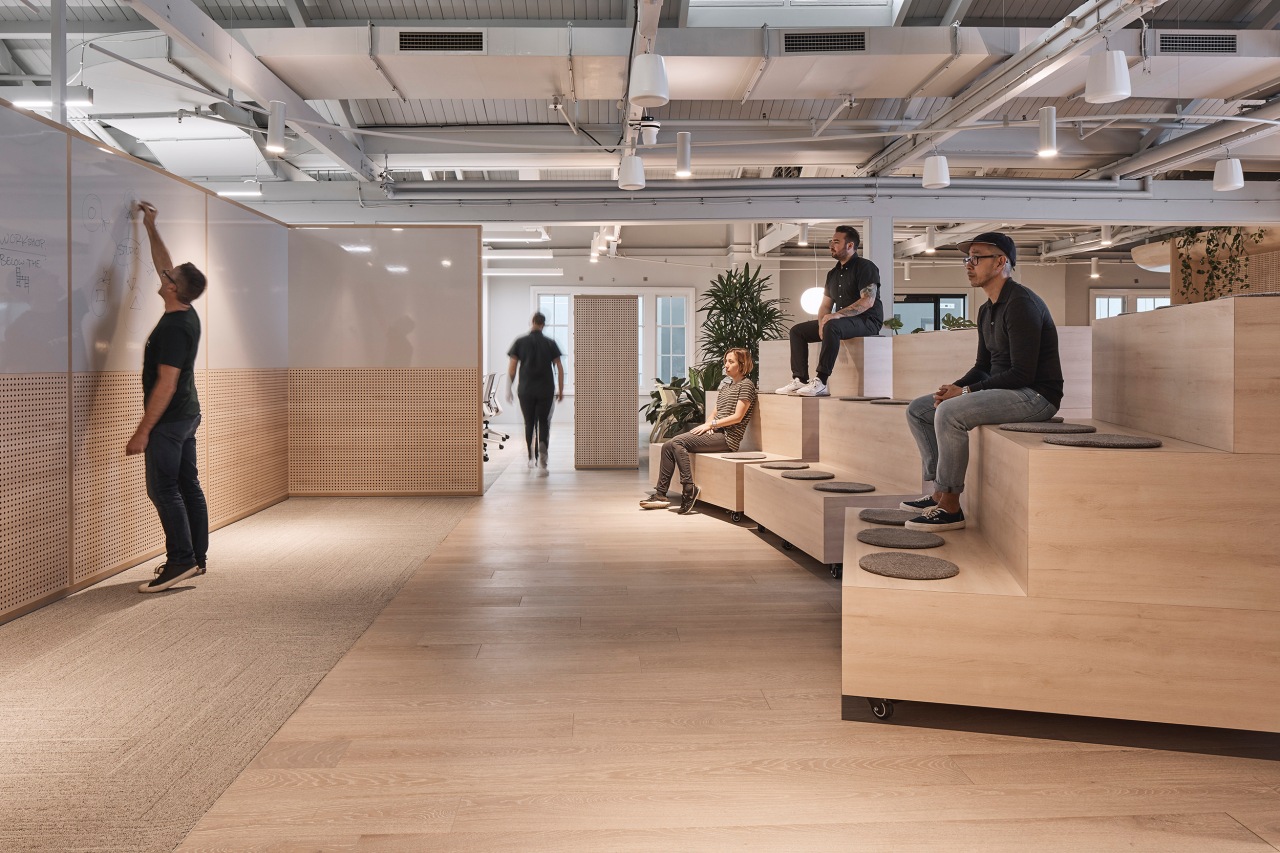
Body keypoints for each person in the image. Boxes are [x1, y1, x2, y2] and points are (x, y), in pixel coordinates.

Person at [901, 232, 1062, 531]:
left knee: (950, 413)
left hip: (1036, 396)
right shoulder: (986, 309)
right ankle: (938, 492)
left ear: (1000, 262)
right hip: (1007, 390)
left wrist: (964, 392)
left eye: (976, 258)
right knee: (920, 410)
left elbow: (1023, 374)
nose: (968, 264)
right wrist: (953, 388)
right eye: (968, 258)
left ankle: (950, 506)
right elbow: (983, 366)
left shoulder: (1022, 304)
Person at [127, 201, 210, 593]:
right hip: (186, 415)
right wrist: (150, 226)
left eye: (169, 276)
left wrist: (143, 431)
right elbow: (165, 264)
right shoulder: (184, 310)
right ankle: (196, 558)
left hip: (171, 418)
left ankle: (180, 560)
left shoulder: (176, 327)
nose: (164, 275)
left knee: (163, 489)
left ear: (173, 288)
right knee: (187, 485)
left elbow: (166, 384)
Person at [641, 348, 758, 515]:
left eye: (731, 362)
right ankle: (660, 494)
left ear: (742, 364)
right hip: (715, 432)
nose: (726, 365)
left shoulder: (746, 386)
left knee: (677, 442)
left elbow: (738, 417)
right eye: (725, 361)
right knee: (668, 445)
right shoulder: (726, 387)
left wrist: (711, 425)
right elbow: (715, 412)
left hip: (727, 438)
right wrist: (708, 424)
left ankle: (689, 489)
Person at [774, 225, 882, 397]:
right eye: (831, 241)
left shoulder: (865, 267)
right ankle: (800, 379)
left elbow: (868, 301)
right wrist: (820, 323)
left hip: (867, 321)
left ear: (850, 245)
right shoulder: (833, 274)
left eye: (836, 242)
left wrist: (835, 315)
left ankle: (822, 382)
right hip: (842, 322)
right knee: (797, 331)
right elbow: (825, 306)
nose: (831, 245)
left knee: (832, 325)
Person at [506, 312, 565, 474]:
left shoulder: (520, 342)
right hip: (546, 389)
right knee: (544, 422)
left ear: (532, 322)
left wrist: (509, 388)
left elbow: (512, 367)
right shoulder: (550, 343)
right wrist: (561, 389)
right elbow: (559, 367)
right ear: (543, 324)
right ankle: (543, 457)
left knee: (529, 423)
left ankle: (531, 457)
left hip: (526, 390)